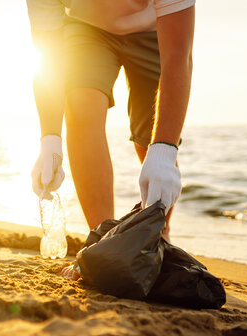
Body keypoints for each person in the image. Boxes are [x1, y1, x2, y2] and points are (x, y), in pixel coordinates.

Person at [26, 1, 195, 277]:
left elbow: (179, 55)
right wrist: (50, 140)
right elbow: (48, 59)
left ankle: (157, 238)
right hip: (86, 29)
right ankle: (101, 243)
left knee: (150, 136)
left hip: (156, 27)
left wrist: (164, 151)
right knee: (81, 103)